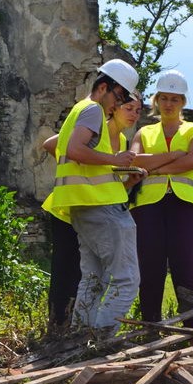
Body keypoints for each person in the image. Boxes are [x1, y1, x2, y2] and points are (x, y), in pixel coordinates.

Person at [42, 59, 146, 336]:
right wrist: (114, 160)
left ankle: (80, 337)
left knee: (92, 279)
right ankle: (99, 340)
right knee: (126, 280)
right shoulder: (93, 110)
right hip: (101, 208)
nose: (118, 104)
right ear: (103, 88)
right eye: (120, 97)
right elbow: (76, 150)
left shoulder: (79, 110)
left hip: (84, 208)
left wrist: (122, 176)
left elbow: (77, 157)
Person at [130, 69, 193, 323]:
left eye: (174, 99)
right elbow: (134, 161)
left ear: (183, 102)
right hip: (147, 206)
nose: (168, 104)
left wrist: (154, 167)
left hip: (186, 204)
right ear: (156, 100)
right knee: (150, 269)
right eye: (163, 98)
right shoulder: (144, 132)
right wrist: (174, 156)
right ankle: (150, 329)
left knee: (185, 268)